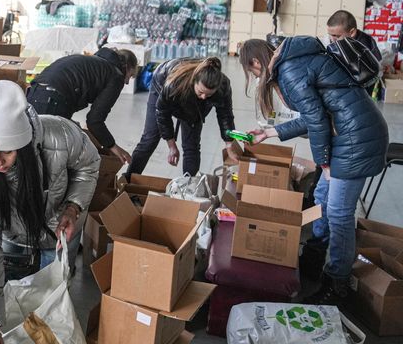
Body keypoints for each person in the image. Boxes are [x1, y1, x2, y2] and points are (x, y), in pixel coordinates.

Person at [238, 37, 388, 304]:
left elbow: (318, 123)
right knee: (321, 198)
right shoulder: (290, 63)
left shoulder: (289, 71)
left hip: (356, 139)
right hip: (347, 134)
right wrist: (269, 132)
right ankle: (315, 257)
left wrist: (326, 164)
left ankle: (337, 283)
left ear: (255, 62)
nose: (254, 76)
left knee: (339, 213)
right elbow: (312, 117)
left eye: (251, 71)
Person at [0, 80, 99, 343]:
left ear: (24, 145)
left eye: (7, 152)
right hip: (11, 241)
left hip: (59, 234)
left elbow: (89, 165)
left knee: (51, 312)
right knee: (14, 308)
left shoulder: (60, 134)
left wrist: (73, 207)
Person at [126, 57, 237, 180]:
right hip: (162, 84)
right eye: (201, 92)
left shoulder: (223, 86)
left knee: (192, 146)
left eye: (209, 94)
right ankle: (128, 180)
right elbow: (163, 112)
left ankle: (188, 188)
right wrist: (172, 146)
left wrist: (229, 143)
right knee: (150, 138)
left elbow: (225, 115)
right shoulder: (174, 83)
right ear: (194, 81)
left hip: (192, 102)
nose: (204, 97)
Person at [26, 47, 138, 164]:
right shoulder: (115, 75)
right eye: (130, 76)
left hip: (34, 93)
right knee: (52, 160)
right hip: (53, 100)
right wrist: (113, 147)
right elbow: (95, 121)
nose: (127, 82)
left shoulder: (94, 62)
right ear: (126, 67)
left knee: (35, 150)